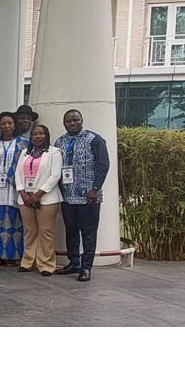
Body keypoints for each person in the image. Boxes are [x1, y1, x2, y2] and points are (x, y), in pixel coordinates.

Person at [54, 109, 110, 282]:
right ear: (64, 123)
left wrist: (95, 188)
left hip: (89, 197)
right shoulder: (60, 142)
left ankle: (86, 267)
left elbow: (103, 165)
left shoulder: (94, 139)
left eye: (75, 120)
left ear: (81, 120)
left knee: (88, 232)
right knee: (71, 231)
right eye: (69, 121)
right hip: (68, 196)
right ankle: (74, 262)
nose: (72, 123)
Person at [14, 124, 63, 276]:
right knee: (29, 231)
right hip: (25, 198)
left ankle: (46, 265)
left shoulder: (54, 152)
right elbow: (17, 174)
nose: (38, 136)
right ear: (31, 137)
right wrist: (22, 192)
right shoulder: (24, 153)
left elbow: (55, 175)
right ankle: (28, 262)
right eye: (35, 134)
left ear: (46, 135)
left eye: (41, 133)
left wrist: (38, 194)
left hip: (46, 199)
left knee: (46, 232)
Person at [0, 111, 26, 267]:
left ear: (14, 125)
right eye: (3, 123)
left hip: (14, 189)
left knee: (14, 223)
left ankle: (12, 256)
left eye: (10, 123)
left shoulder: (22, 144)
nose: (7, 126)